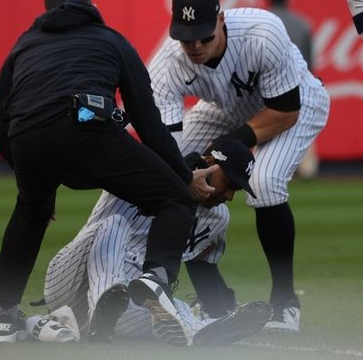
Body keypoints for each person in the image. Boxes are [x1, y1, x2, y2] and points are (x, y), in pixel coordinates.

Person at [0, 0, 215, 345]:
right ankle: (155, 280)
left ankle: (4, 317)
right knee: (175, 199)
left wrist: (28, 172)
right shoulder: (111, 40)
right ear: (89, 6)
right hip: (88, 135)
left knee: (31, 212)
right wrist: (183, 175)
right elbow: (148, 124)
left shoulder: (24, 44)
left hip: (27, 138)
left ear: (47, 11)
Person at [148, 0, 330, 332]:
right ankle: (215, 301)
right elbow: (166, 146)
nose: (196, 46)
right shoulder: (167, 62)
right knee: (172, 181)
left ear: (221, 20)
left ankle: (284, 302)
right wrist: (186, 169)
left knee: (265, 182)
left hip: (297, 103)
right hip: (225, 108)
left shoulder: (263, 32)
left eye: (204, 35)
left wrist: (223, 148)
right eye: (187, 38)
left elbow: (284, 111)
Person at [40, 137, 272, 346]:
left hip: (124, 306)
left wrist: (219, 303)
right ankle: (105, 300)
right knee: (114, 224)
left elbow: (204, 267)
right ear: (210, 161)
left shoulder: (217, 219)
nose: (230, 196)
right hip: (71, 280)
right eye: (230, 184)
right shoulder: (149, 170)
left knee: (172, 308)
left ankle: (201, 330)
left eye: (237, 190)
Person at [266, 0, 317, 179]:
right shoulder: (301, 23)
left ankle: (272, 168)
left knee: (270, 126)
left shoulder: (265, 22)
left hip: (269, 85)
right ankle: (308, 169)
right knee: (303, 123)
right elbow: (310, 60)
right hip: (300, 82)